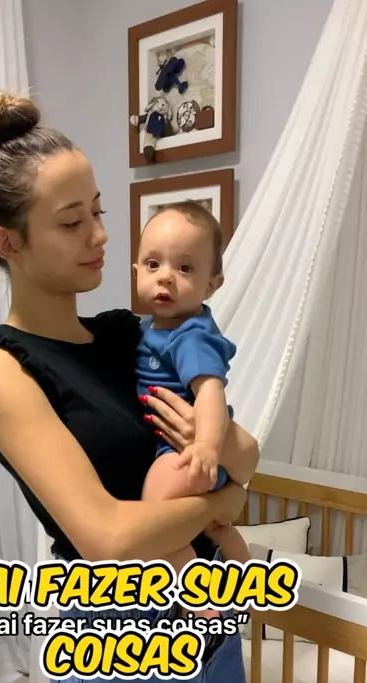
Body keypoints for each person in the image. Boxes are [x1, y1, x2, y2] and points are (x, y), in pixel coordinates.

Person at [0, 91, 259, 683]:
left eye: (98, 212)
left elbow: (245, 449)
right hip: (122, 634)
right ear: (8, 242)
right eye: (71, 222)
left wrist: (228, 467)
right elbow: (109, 537)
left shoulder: (132, 334)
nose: (101, 236)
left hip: (209, 616)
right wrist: (223, 499)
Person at [134, 202, 253, 621]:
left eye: (184, 268)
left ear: (211, 285)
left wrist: (205, 445)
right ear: (136, 271)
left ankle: (201, 601)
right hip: (190, 455)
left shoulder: (190, 336)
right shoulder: (149, 329)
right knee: (215, 526)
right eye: (153, 264)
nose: (165, 276)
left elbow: (210, 393)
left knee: (154, 520)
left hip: (186, 454)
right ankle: (239, 563)